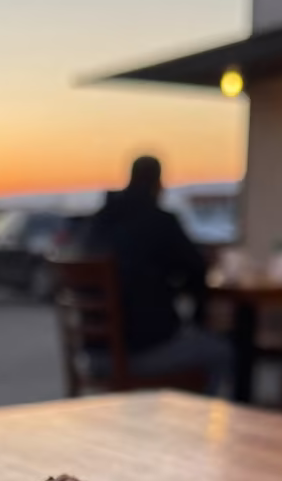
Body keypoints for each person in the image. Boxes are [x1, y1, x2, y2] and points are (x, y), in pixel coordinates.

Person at [83, 156, 231, 390]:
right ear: (158, 183)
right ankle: (192, 421)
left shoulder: (100, 220)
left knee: (193, 343)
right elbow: (196, 269)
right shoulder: (160, 221)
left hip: (93, 353)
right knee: (220, 352)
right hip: (141, 352)